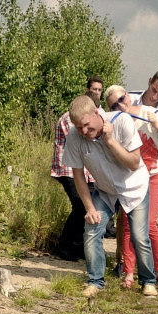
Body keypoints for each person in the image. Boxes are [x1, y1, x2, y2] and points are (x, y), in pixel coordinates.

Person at [64, 95, 158, 297]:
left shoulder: (122, 121)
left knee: (139, 236)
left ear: (97, 114)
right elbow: (78, 176)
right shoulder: (74, 136)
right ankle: (96, 281)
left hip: (134, 187)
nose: (84, 132)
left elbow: (134, 163)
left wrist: (110, 141)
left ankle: (148, 281)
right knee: (91, 229)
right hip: (105, 190)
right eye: (79, 128)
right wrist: (89, 208)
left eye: (88, 126)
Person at [107, 84, 158, 289]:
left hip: (154, 173)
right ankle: (129, 272)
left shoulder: (147, 110)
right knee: (129, 224)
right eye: (114, 105)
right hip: (132, 176)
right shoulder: (114, 122)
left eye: (122, 100)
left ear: (128, 97)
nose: (119, 105)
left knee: (150, 224)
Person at [51, 77, 103, 261]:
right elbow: (79, 145)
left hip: (81, 169)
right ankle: (64, 245)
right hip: (66, 168)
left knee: (87, 205)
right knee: (80, 205)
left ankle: (78, 246)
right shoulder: (69, 119)